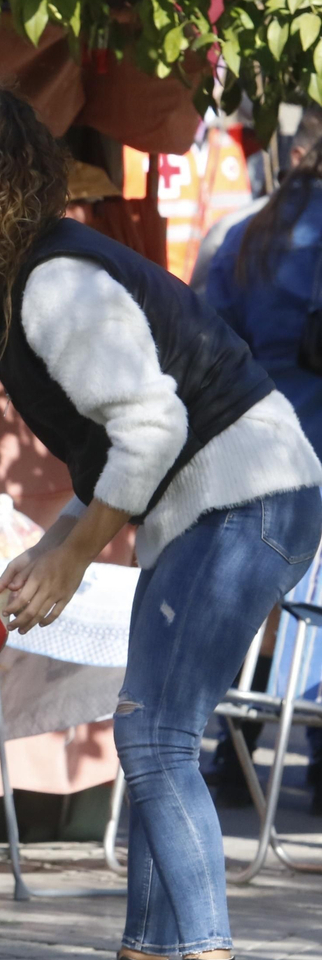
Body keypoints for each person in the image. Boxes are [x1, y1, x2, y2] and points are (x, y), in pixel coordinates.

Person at [0, 88, 322, 960]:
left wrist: (76, 556)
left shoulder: (55, 283)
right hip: (229, 501)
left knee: (155, 735)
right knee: (159, 734)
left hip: (245, 497)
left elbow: (153, 427)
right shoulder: (33, 277)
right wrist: (53, 548)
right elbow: (112, 456)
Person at [205, 106, 322, 814]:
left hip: (259, 446)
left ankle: (233, 756)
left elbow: (212, 343)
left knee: (258, 601)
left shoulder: (246, 233)